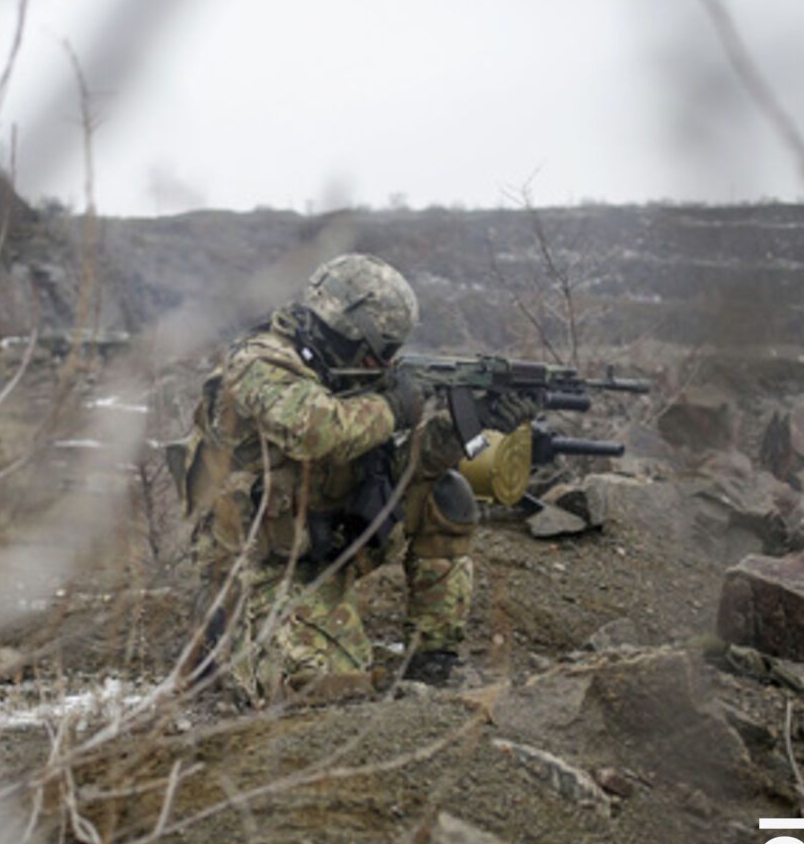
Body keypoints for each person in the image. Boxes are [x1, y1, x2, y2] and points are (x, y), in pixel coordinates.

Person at [172, 253, 533, 703]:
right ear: (344, 333)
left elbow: (406, 465)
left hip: (332, 535)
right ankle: (222, 638)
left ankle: (432, 658)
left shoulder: (346, 371)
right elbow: (315, 431)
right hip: (258, 567)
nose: (385, 363)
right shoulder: (257, 362)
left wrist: (470, 424)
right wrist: (395, 406)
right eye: (380, 351)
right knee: (320, 693)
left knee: (445, 492)